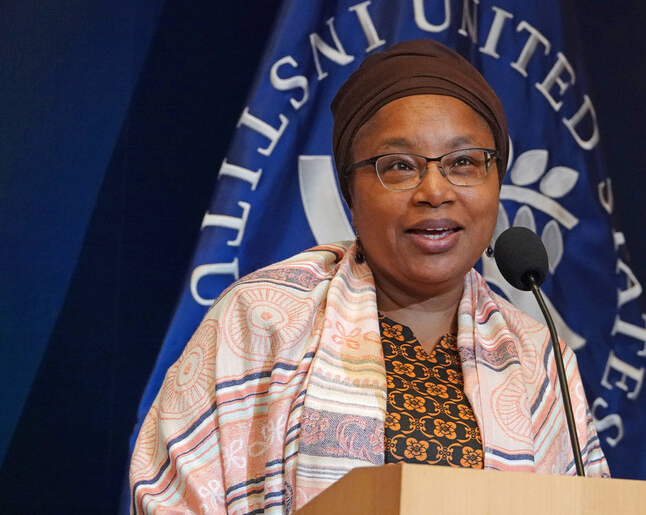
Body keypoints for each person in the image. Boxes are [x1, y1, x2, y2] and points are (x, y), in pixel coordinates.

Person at [130, 39, 609, 515]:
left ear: (496, 181)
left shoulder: (537, 357)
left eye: (464, 162)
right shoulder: (261, 320)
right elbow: (172, 502)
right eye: (399, 166)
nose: (435, 191)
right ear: (350, 197)